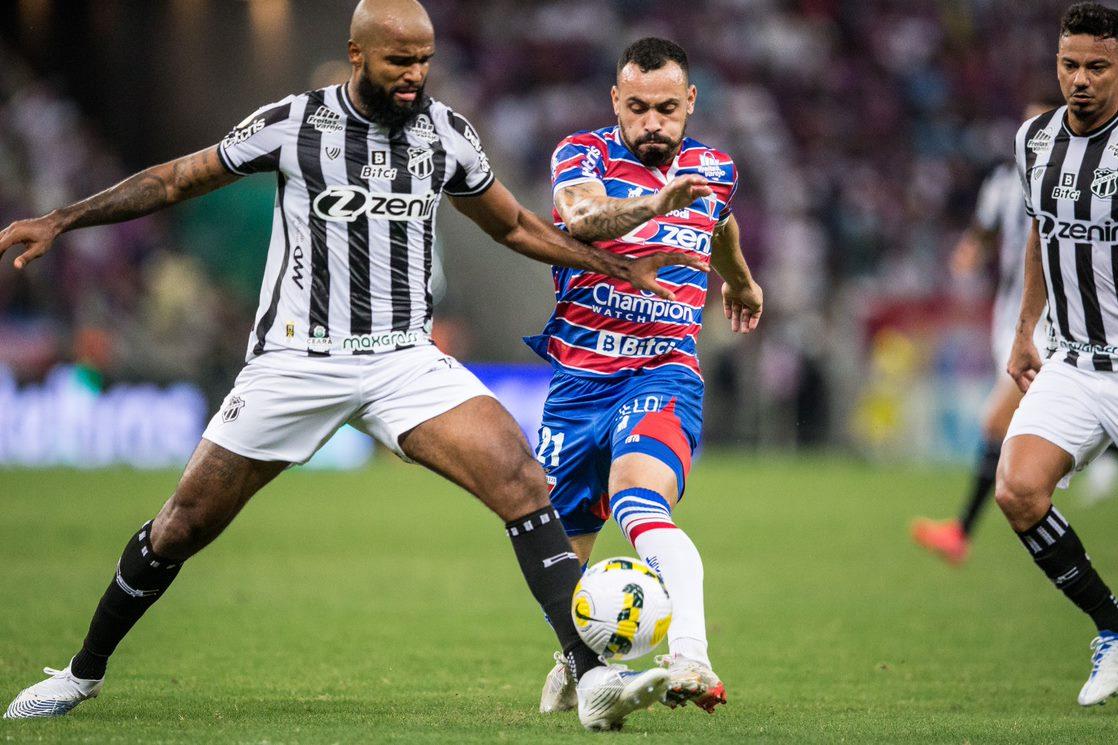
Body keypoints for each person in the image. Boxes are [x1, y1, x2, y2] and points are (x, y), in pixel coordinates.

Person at [0, 0, 704, 731]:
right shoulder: (293, 122)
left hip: (403, 359)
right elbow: (177, 180)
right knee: (182, 525)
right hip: (297, 360)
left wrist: (615, 268)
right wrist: (62, 218)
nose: (416, 76)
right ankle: (82, 671)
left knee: (523, 480)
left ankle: (588, 675)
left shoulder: (446, 133)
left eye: (425, 60)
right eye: (400, 61)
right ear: (358, 53)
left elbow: (516, 225)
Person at [527, 38, 763, 715]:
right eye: (637, 109)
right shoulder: (583, 155)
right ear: (615, 103)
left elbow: (717, 218)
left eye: (666, 108)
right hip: (577, 383)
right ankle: (582, 661)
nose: (652, 123)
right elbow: (580, 215)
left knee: (638, 502)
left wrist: (741, 280)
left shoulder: (714, 166)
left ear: (690, 102)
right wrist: (657, 204)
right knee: (555, 552)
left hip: (663, 369)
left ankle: (691, 653)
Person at [997, 1, 1118, 707]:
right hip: (1073, 359)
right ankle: (1111, 627)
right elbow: (1040, 232)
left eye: (1098, 66)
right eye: (1071, 64)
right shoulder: (1034, 141)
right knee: (1017, 489)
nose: (1082, 79)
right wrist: (1024, 328)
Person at [911, 97, 1060, 565]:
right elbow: (981, 234)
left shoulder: (1073, 182)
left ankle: (960, 533)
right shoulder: (1002, 182)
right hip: (1010, 317)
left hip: (1055, 321)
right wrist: (969, 252)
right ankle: (961, 533)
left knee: (999, 424)